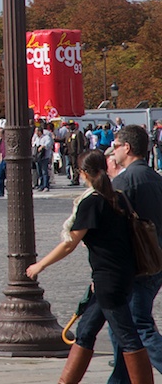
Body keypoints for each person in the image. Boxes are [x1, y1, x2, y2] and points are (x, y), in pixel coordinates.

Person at [25, 150, 152, 384]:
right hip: (120, 275)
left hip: (108, 281)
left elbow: (69, 244)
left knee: (127, 336)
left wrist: (39, 266)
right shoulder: (118, 197)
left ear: (83, 173)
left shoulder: (93, 202)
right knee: (85, 331)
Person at [107, 125, 162, 384]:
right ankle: (121, 379)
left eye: (116, 145)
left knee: (137, 324)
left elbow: (113, 228)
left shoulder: (124, 181)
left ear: (127, 148)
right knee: (121, 327)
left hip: (136, 264)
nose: (113, 150)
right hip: (156, 260)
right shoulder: (155, 177)